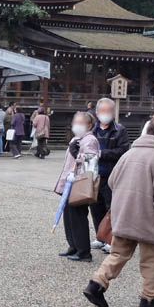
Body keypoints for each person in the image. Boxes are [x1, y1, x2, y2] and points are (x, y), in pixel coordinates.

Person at [83, 113, 154, 307]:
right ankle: (149, 299)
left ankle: (96, 284)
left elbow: (112, 182)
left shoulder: (129, 153)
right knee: (153, 258)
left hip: (125, 212)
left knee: (118, 253)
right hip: (150, 217)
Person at [56, 112, 100, 261]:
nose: (77, 125)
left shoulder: (90, 140)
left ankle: (83, 251)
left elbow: (91, 160)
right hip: (70, 182)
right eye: (75, 121)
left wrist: (78, 154)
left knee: (78, 217)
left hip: (79, 183)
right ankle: (73, 245)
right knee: (69, 217)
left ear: (89, 125)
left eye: (80, 122)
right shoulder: (76, 138)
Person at [89, 98, 130, 252]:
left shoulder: (120, 130)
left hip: (112, 175)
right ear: (97, 112)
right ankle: (100, 236)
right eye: (102, 110)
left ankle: (110, 239)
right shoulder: (92, 130)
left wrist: (102, 154)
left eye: (108, 110)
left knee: (111, 208)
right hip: (94, 175)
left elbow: (123, 151)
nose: (104, 114)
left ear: (112, 112)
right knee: (95, 206)